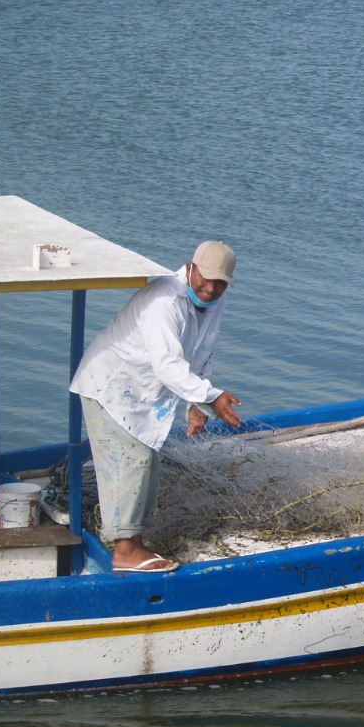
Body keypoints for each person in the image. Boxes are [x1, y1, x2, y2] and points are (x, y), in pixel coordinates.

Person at [70, 240, 244, 573]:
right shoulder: (164, 300)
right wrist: (211, 395)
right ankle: (123, 551)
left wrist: (197, 404)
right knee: (130, 458)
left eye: (220, 283)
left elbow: (203, 351)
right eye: (206, 279)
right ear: (190, 268)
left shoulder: (214, 302)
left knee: (147, 458)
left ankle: (134, 544)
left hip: (142, 393)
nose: (210, 288)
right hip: (109, 384)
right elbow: (167, 364)